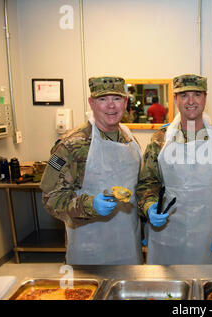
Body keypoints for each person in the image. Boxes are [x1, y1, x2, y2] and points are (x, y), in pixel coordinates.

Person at [40, 76, 144, 265]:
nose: (111, 106)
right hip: (88, 249)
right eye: (103, 99)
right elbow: (51, 198)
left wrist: (147, 225)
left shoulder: (130, 140)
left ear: (125, 102)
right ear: (91, 103)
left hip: (128, 246)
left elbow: (139, 189)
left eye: (117, 98)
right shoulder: (70, 144)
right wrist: (89, 205)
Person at [136, 74, 212, 264]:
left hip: (209, 235)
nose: (191, 101)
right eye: (184, 95)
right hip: (167, 235)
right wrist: (149, 207)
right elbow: (147, 184)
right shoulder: (159, 139)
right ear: (175, 99)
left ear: (205, 98)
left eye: (197, 94)